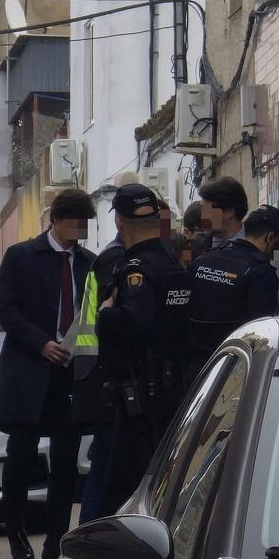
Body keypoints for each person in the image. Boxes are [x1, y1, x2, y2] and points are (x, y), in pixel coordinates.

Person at [0, 188, 97, 559]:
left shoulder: (89, 263)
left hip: (70, 375)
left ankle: (55, 541)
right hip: (29, 372)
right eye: (74, 223)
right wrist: (41, 344)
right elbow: (4, 308)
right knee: (20, 456)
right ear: (57, 220)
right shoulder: (21, 257)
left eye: (85, 224)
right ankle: (16, 531)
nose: (79, 231)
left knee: (66, 461)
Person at [95, 184, 191, 517]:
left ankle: (113, 552)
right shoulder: (172, 263)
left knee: (124, 483)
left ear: (120, 222)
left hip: (140, 392)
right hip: (172, 386)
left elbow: (136, 322)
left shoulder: (135, 268)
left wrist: (106, 313)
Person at [187, 204, 279, 370]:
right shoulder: (261, 272)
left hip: (196, 368)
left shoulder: (203, 260)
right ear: (270, 237)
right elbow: (262, 333)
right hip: (234, 367)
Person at [70, 229, 124, 525]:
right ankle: (91, 537)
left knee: (102, 467)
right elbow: (109, 317)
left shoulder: (103, 259)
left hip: (98, 375)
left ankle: (89, 535)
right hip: (108, 378)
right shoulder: (116, 260)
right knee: (106, 468)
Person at [196, 176, 249, 246]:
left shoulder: (256, 245)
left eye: (206, 209)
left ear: (229, 211)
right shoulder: (199, 245)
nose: (202, 215)